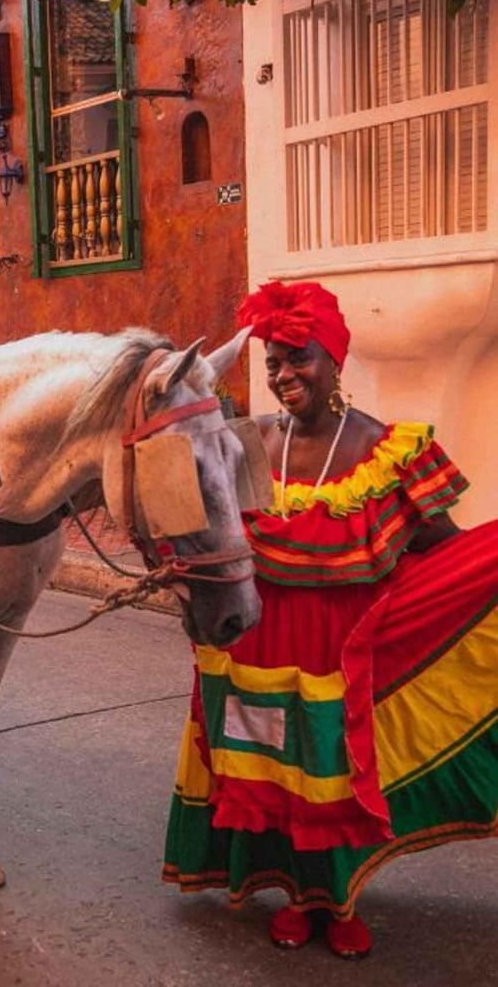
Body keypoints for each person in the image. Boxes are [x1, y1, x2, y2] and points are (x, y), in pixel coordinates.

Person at [163, 281, 498, 958]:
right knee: (272, 771)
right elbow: (198, 520)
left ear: (334, 359)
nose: (285, 375)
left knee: (333, 778)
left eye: (299, 358)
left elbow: (447, 548)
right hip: (260, 645)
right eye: (273, 365)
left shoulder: (385, 452)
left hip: (340, 657)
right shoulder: (249, 443)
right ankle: (294, 894)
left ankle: (339, 900)